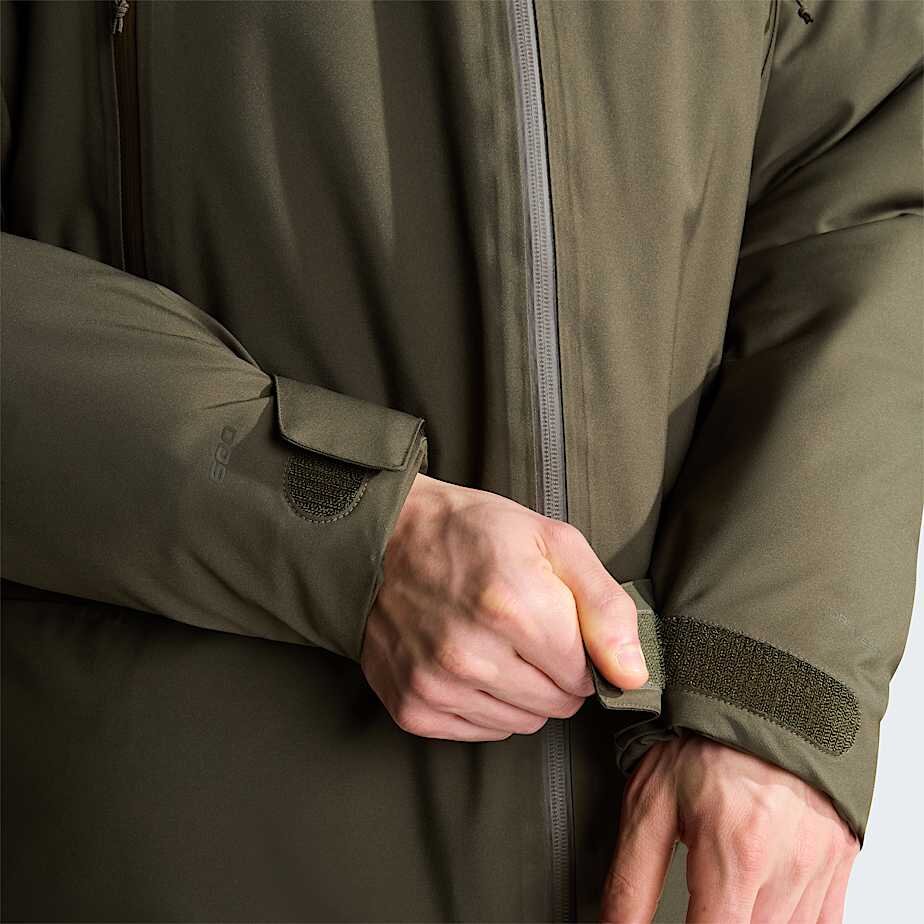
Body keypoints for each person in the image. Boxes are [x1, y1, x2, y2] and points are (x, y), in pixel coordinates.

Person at [1, 1, 920, 921]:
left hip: (674, 849)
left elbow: (868, 163)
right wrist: (344, 525)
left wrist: (778, 694)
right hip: (180, 847)